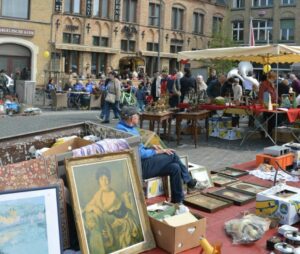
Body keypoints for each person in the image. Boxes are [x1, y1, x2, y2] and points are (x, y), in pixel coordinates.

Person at [116, 106, 205, 204]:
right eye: (137, 116)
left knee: (175, 167)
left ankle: (178, 200)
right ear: (131, 118)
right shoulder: (124, 132)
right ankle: (189, 181)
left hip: (142, 162)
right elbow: (139, 154)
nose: (139, 117)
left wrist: (151, 148)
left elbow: (138, 148)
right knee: (172, 155)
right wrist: (156, 152)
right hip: (139, 167)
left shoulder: (129, 128)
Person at [84, 167, 143, 253]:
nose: (105, 181)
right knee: (94, 229)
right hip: (108, 218)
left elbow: (104, 210)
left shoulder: (112, 194)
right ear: (99, 181)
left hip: (119, 217)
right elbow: (88, 207)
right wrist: (93, 207)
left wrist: (96, 208)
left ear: (109, 180)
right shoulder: (98, 193)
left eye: (107, 179)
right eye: (102, 179)